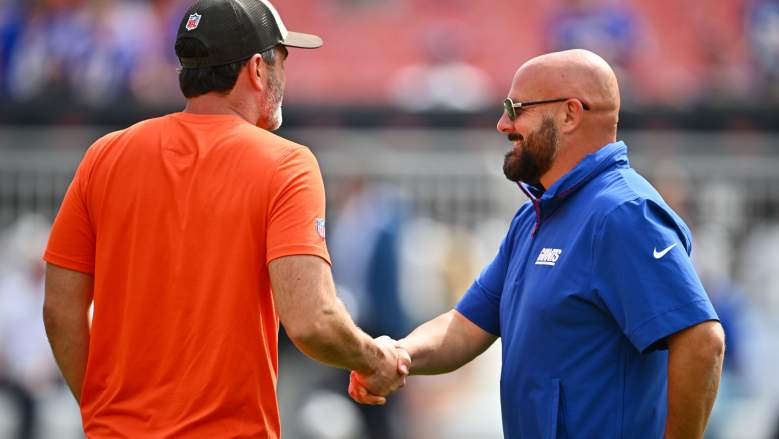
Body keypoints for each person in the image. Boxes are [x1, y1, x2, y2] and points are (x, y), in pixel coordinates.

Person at [41, 0, 408, 437]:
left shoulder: (105, 155)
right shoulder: (286, 164)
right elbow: (312, 321)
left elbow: (60, 310)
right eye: (282, 60)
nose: (284, 77)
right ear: (257, 69)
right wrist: (374, 360)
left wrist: (102, 411)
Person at [350, 49, 726, 439]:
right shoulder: (534, 216)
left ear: (569, 114)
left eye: (516, 108)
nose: (502, 124)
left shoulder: (623, 213)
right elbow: (465, 325)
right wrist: (400, 353)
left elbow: (702, 341)